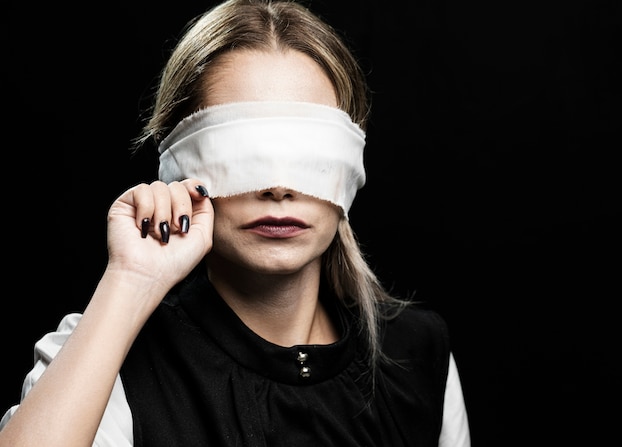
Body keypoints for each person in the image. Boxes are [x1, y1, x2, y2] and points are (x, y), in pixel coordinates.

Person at [0, 0, 471, 445]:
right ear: (177, 163)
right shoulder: (105, 361)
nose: (278, 187)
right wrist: (130, 281)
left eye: (310, 155)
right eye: (243, 156)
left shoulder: (419, 353)